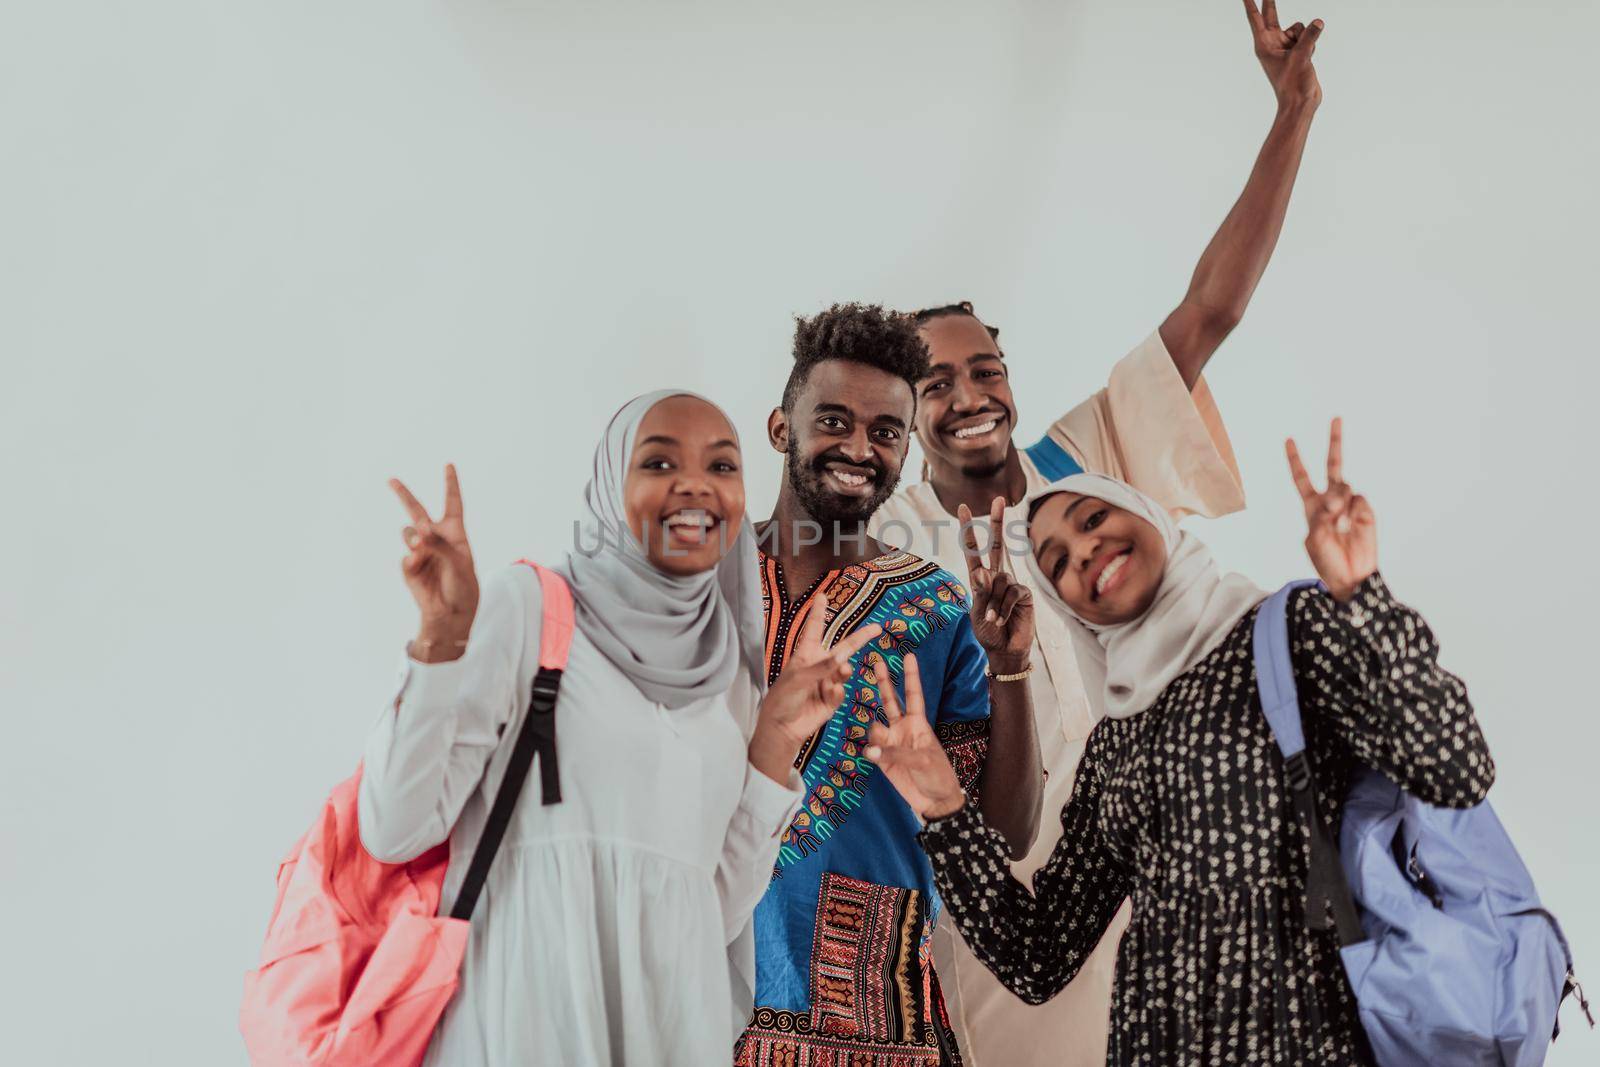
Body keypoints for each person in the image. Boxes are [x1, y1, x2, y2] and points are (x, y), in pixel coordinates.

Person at [870, 6, 1328, 1061]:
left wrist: (1292, 109)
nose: (970, 395)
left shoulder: (1087, 463)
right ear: (905, 409)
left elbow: (1209, 309)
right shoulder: (888, 547)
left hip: (1171, 867)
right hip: (1009, 919)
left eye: (985, 367)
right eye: (934, 383)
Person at [865, 420, 1496, 1065]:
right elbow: (1038, 955)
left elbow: (1454, 768)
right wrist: (943, 806)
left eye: (1090, 519)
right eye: (1055, 563)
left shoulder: (1287, 634)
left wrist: (1362, 594)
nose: (1081, 551)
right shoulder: (1115, 744)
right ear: (1071, 610)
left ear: (1149, 517)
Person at [358, 391, 886, 1066]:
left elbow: (704, 908)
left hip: (669, 1032)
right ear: (611, 485)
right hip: (529, 1023)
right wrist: (440, 641)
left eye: (722, 467)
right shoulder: (529, 612)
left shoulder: (729, 673)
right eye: (659, 460)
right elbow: (394, 826)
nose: (695, 483)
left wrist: (776, 738)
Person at [734, 304, 1041, 1067]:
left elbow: (1002, 838)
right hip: (692, 999)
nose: (858, 448)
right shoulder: (697, 589)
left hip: (876, 1024)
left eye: (885, 432)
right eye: (833, 420)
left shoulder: (940, 612)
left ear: (906, 449)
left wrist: (1009, 668)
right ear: (781, 427)